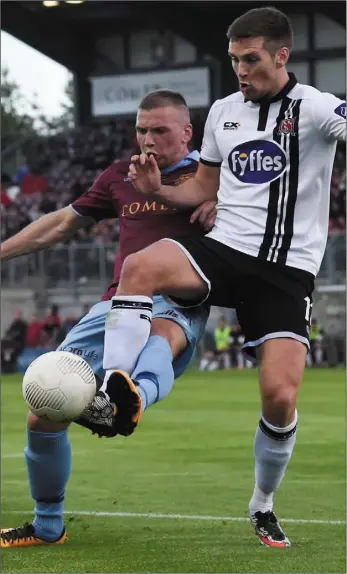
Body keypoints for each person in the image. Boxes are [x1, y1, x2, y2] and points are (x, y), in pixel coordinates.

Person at [94, 7, 345, 548]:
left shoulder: (319, 108)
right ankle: (113, 388)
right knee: (140, 267)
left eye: (251, 59)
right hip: (225, 248)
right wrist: (159, 189)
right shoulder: (225, 112)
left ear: (282, 56)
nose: (240, 70)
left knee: (279, 397)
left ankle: (262, 504)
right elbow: (203, 188)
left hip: (285, 272)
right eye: (234, 60)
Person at [0, 90, 215, 548]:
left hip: (179, 300)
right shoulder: (121, 175)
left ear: (187, 132)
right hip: (115, 303)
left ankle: (128, 401)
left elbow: (267, 215)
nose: (148, 140)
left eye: (159, 130)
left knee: (162, 333)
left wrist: (227, 209)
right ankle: (46, 526)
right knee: (44, 408)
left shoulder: (211, 175)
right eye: (141, 129)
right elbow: (61, 223)